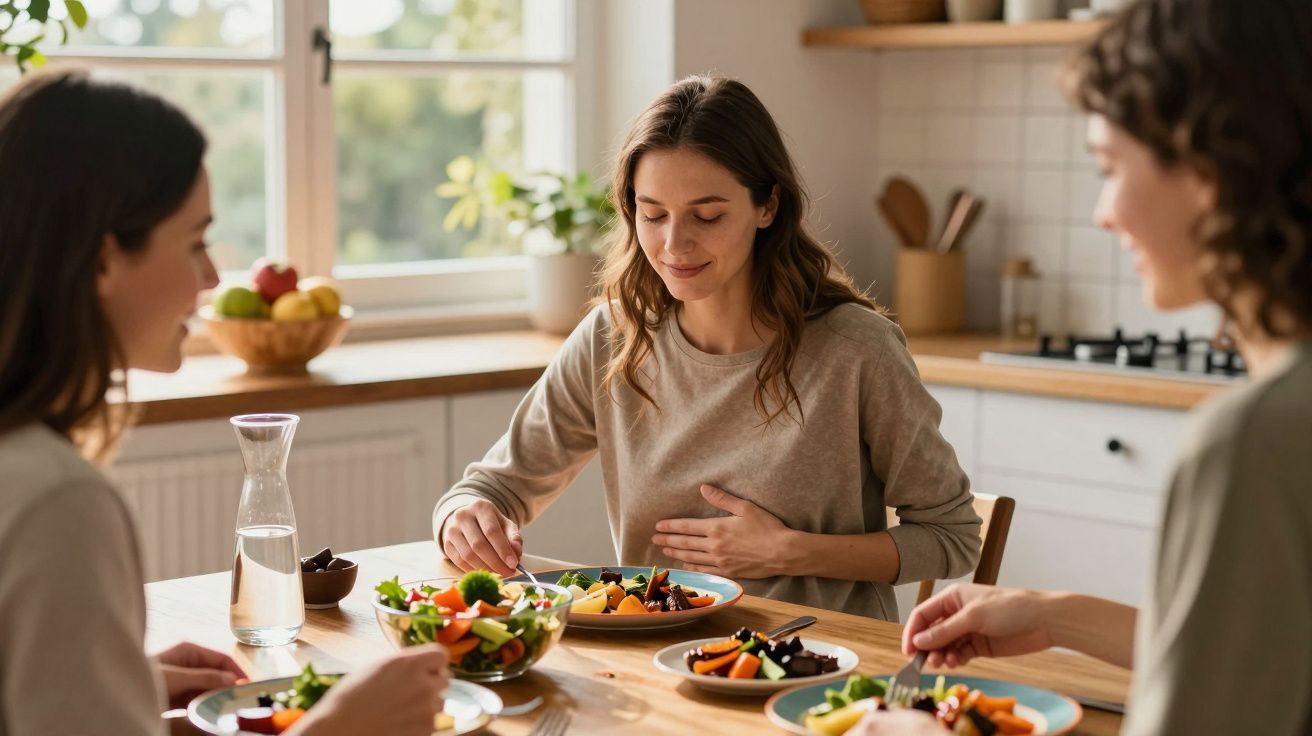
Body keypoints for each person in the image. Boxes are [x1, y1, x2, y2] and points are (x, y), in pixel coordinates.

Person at [853, 0, 1312, 733]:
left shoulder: (1254, 442)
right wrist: (1057, 616)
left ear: (1211, 167)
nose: (1102, 212)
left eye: (1109, 167)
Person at [0, 69, 449, 736]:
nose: (212, 278)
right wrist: (341, 728)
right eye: (195, 241)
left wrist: (119, 683)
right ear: (102, 261)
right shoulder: (60, 502)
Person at [434, 75, 981, 620]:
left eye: (708, 215)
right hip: (655, 663)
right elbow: (492, 488)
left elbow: (952, 536)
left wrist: (791, 550)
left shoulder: (855, 349)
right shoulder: (613, 338)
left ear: (767, 206)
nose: (674, 244)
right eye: (652, 214)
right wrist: (463, 516)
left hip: (818, 670)